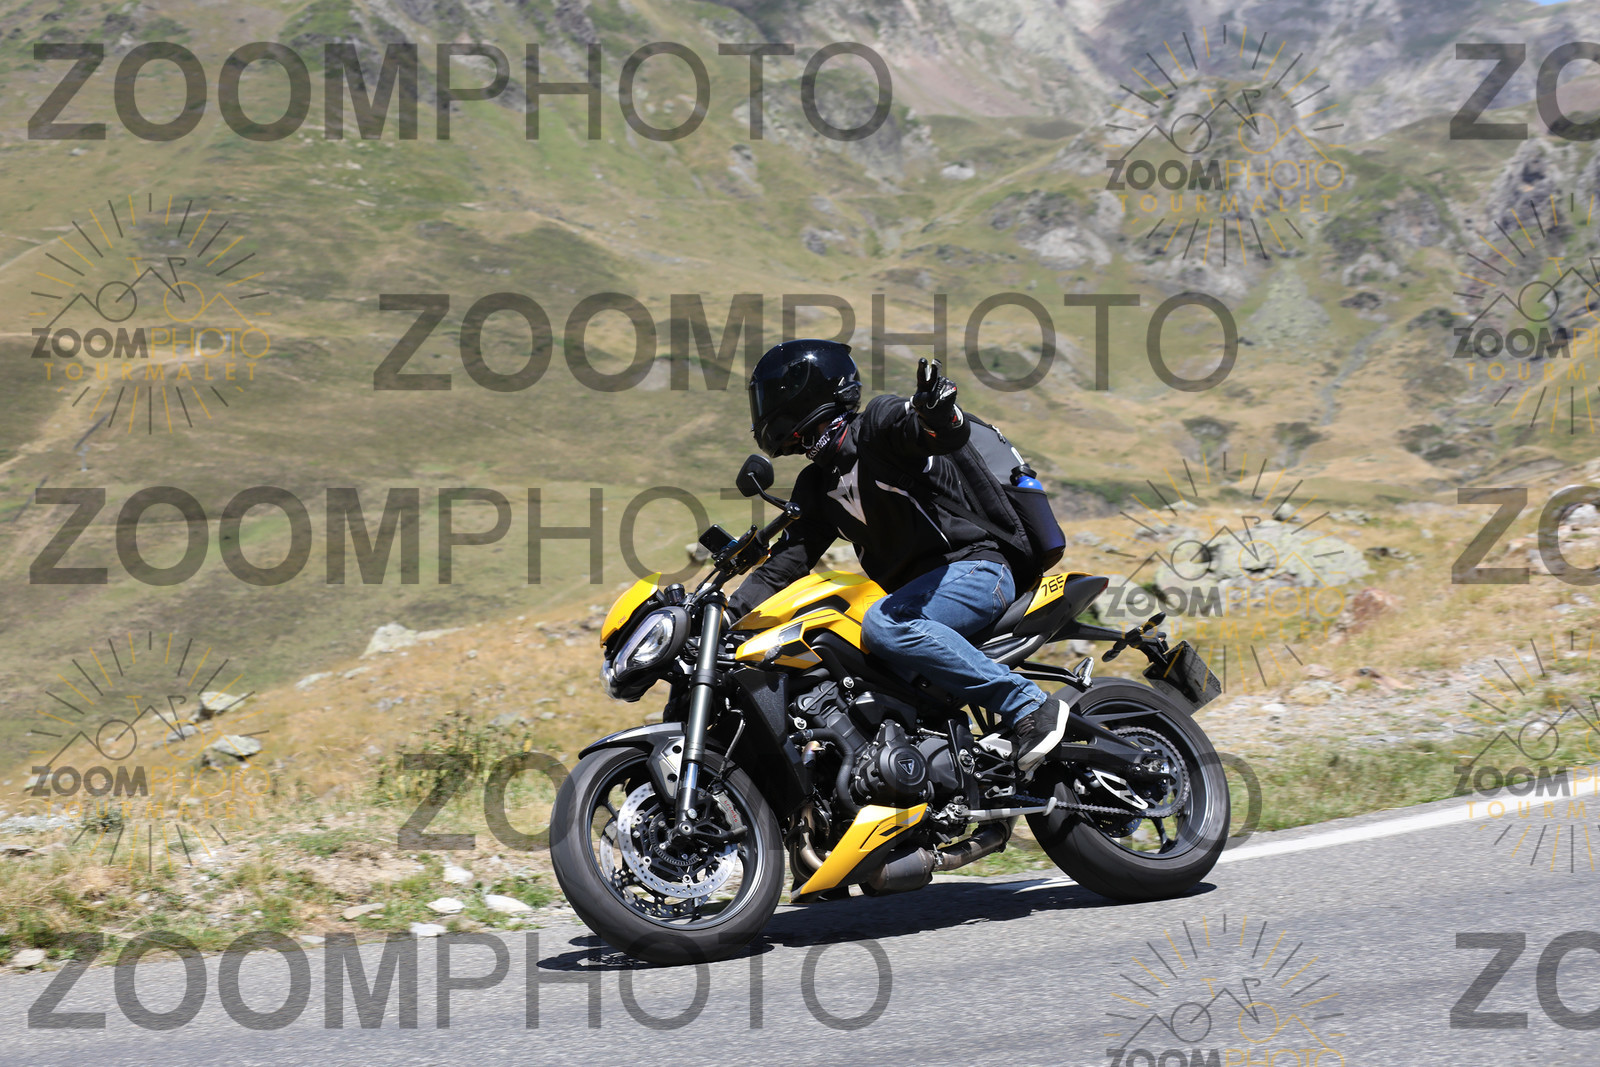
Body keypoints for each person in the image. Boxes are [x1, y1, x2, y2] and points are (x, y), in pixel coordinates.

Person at [726, 338, 1069, 773]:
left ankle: (1028, 704)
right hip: (919, 596)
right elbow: (782, 568)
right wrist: (725, 618)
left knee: (887, 625)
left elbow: (929, 433)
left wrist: (936, 413)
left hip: (977, 569)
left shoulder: (878, 425)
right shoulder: (816, 485)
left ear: (801, 392)